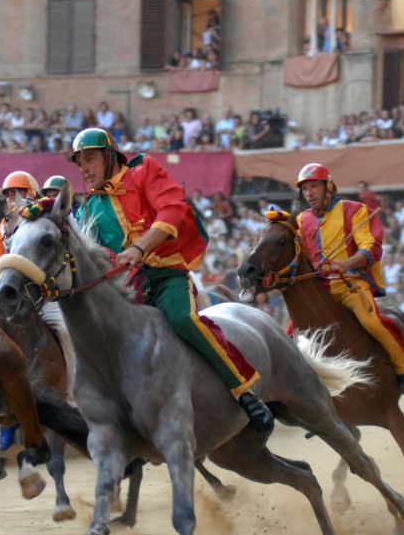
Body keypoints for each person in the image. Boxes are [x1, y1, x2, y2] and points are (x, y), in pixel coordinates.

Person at [69, 127, 274, 432]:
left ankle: (243, 389)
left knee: (181, 319)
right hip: (131, 286)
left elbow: (172, 210)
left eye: (91, 159)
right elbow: (97, 256)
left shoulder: (143, 171)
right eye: (80, 162)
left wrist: (140, 247)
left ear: (110, 156)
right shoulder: (88, 208)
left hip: (167, 273)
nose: (84, 168)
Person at [293, 162, 404, 404]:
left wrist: (346, 263)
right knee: (291, 338)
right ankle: (309, 401)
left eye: (314, 186)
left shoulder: (354, 210)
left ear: (328, 186)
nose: (309, 193)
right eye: (305, 188)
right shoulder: (301, 220)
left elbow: (370, 248)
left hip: (350, 284)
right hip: (318, 292)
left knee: (373, 322)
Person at [0, 171, 79, 445]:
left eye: (17, 192)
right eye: (7, 195)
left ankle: (72, 394)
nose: (11, 199)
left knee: (65, 329)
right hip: (13, 302)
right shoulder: (2, 230)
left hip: (46, 300)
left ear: (32, 194)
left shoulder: (47, 221)